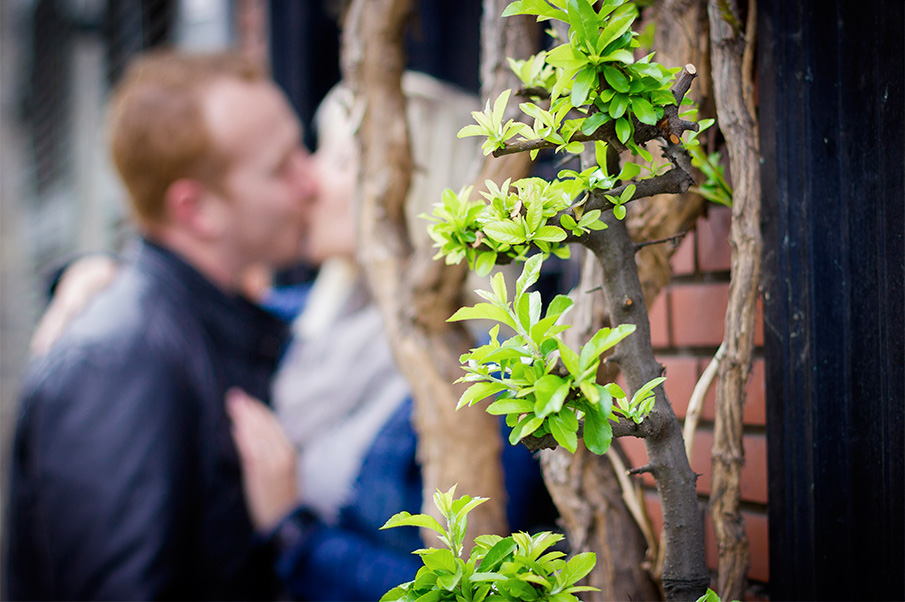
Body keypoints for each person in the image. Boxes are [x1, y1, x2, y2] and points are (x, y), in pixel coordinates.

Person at [226, 72, 558, 602]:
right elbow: (190, 300)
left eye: (338, 160)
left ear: (411, 189)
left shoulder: (490, 383)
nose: (307, 181)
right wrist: (88, 275)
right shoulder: (319, 320)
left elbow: (468, 590)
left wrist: (294, 532)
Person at [4, 49, 318, 600]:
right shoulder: (118, 361)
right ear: (196, 211)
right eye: (281, 166)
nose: (311, 180)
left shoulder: (210, 317)